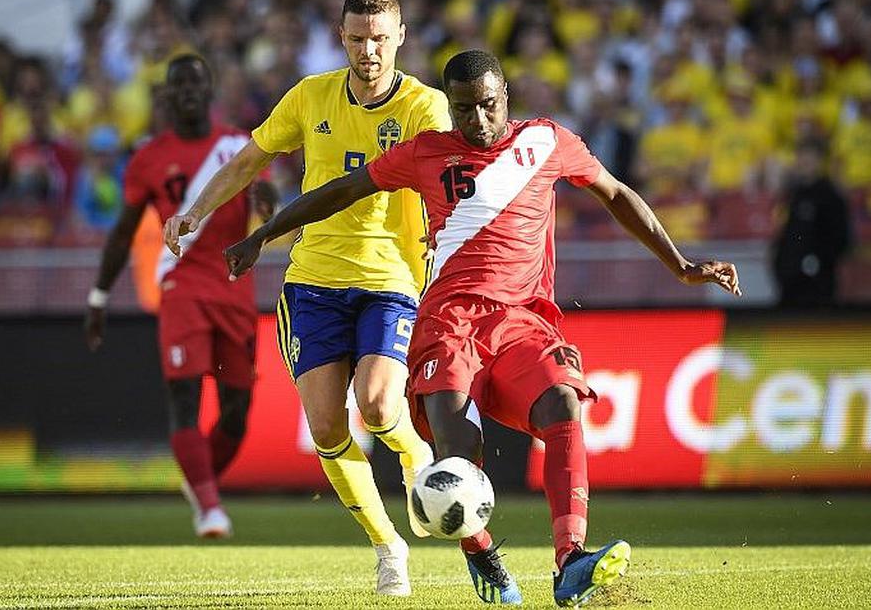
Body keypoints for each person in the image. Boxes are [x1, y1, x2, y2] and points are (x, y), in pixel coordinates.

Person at [223, 50, 741, 607]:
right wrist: (264, 234)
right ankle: (482, 553)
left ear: (506, 97)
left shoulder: (547, 142)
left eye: (488, 106)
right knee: (456, 447)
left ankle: (571, 560)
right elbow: (344, 190)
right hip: (447, 325)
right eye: (464, 110)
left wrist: (680, 265)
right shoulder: (425, 153)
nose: (478, 121)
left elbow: (614, 193)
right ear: (450, 108)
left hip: (523, 322)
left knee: (563, 407)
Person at [164, 0, 452, 596]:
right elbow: (248, 163)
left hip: (390, 274)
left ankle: (411, 452)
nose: (368, 50)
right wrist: (196, 210)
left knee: (376, 406)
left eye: (379, 38)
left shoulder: (427, 108)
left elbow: (445, 183)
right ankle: (387, 547)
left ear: (400, 36)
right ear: (340, 37)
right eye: (356, 38)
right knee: (326, 427)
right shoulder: (310, 95)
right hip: (313, 280)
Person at [84, 54, 277, 538]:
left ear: (209, 89)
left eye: (196, 82)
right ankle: (210, 509)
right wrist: (98, 297)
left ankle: (200, 480)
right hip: (180, 287)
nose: (188, 90)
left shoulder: (239, 147)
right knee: (183, 394)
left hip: (233, 287)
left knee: (237, 410)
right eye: (179, 84)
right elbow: (123, 233)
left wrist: (266, 206)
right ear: (168, 95)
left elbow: (268, 203)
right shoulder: (149, 158)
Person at [772, 138, 851, 306]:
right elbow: (787, 235)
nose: (804, 162)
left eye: (810, 157)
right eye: (801, 157)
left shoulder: (830, 196)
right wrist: (780, 265)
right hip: (790, 282)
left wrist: (817, 262)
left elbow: (841, 239)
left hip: (818, 283)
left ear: (820, 161)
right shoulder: (793, 194)